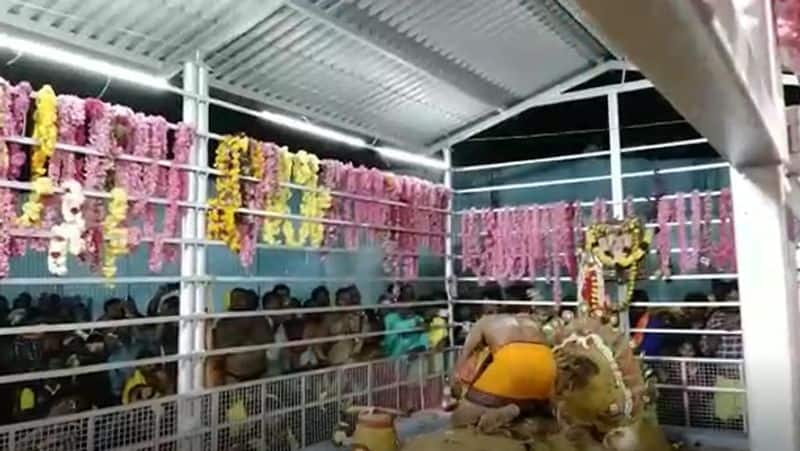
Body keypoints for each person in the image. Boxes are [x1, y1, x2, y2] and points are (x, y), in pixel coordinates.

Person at [451, 313, 556, 433]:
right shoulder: (533, 323)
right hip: (546, 363)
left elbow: (465, 356)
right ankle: (521, 413)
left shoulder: (484, 321)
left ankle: (506, 412)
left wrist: (456, 389)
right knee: (536, 406)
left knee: (459, 419)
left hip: (511, 360)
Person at [207, 289, 272, 386]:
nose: (241, 301)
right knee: (235, 400)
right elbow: (221, 350)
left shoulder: (260, 320)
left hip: (260, 373)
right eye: (237, 298)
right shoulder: (223, 322)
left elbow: (268, 341)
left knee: (260, 399)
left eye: (242, 298)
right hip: (234, 376)